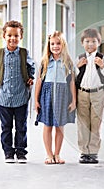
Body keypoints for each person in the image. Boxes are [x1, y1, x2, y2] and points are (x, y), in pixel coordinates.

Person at [0, 20, 35, 163]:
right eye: (9, 35)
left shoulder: (24, 53)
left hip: (21, 97)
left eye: (16, 35)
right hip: (4, 98)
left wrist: (31, 77)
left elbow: (32, 67)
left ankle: (21, 152)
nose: (13, 38)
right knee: (6, 127)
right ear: (4, 36)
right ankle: (8, 152)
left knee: (21, 127)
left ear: (21, 37)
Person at [35, 31, 76, 164]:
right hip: (47, 95)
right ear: (49, 45)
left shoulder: (68, 62)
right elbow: (39, 81)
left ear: (63, 45)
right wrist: (36, 100)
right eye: (52, 44)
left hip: (62, 96)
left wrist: (74, 100)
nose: (55, 46)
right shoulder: (45, 62)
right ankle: (49, 154)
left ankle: (57, 154)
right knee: (47, 126)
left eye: (58, 43)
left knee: (59, 126)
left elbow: (71, 82)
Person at [75, 28, 104, 164]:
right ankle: (84, 152)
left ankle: (93, 152)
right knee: (83, 123)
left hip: (98, 93)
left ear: (99, 42)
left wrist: (102, 66)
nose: (90, 44)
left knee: (96, 123)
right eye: (87, 41)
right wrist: (77, 67)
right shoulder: (79, 58)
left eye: (93, 41)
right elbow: (72, 78)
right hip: (82, 93)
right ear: (82, 43)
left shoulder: (103, 58)